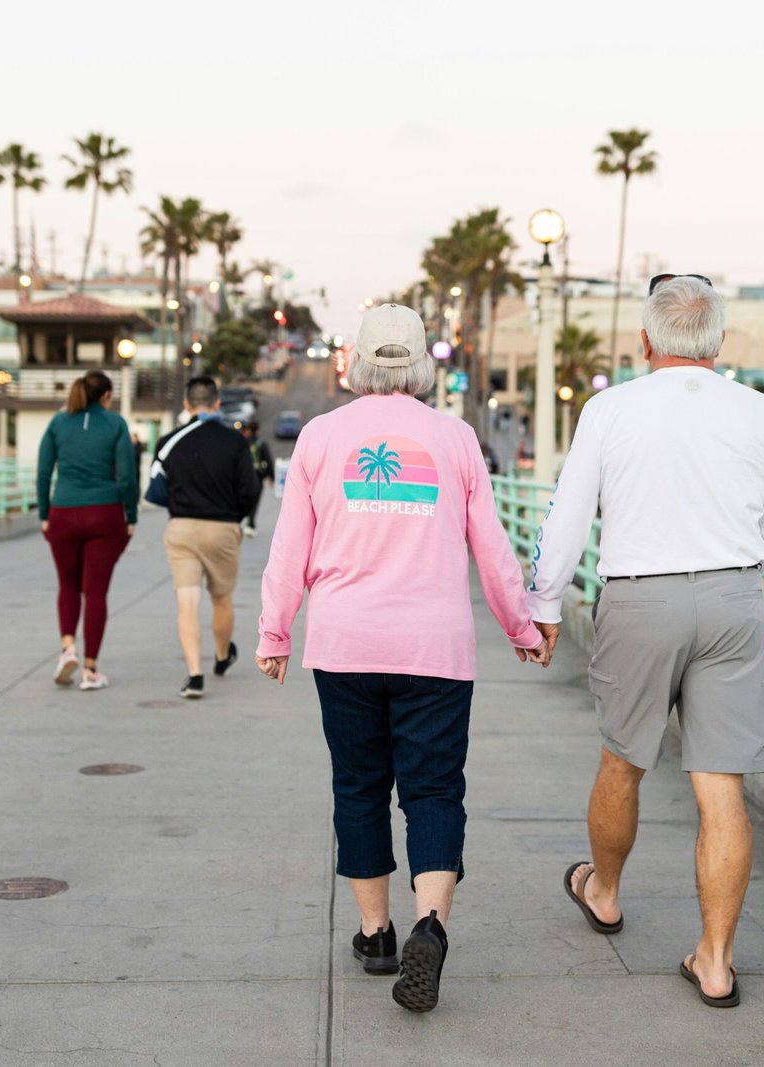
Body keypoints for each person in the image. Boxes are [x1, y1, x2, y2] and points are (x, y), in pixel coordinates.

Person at [256, 303, 552, 1014]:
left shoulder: (321, 437)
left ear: (356, 362)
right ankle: (430, 926)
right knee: (434, 790)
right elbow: (491, 547)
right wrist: (522, 626)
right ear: (423, 364)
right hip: (435, 648)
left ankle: (376, 934)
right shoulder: (455, 438)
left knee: (359, 787)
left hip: (345, 645)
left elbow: (289, 547)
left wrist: (274, 632)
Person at [526, 275, 764, 1010]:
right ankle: (716, 961)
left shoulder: (610, 409)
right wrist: (733, 567)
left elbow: (568, 514)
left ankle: (605, 891)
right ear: (719, 342)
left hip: (640, 597)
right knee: (721, 783)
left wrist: (544, 604)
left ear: (645, 340)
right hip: (734, 596)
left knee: (624, 759)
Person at [154, 376, 259, 699]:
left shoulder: (169, 441)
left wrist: (179, 505)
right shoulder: (235, 441)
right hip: (222, 528)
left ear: (187, 404)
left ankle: (194, 675)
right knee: (221, 599)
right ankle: (222, 655)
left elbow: (157, 488)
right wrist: (235, 516)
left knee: (187, 601)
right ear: (217, 404)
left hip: (182, 527)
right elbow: (250, 488)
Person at [36, 370, 138, 691]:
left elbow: (43, 472)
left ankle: (68, 648)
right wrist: (130, 514)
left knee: (67, 585)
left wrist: (44, 513)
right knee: (95, 593)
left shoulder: (58, 423)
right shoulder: (116, 424)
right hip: (105, 513)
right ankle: (90, 670)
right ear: (106, 395)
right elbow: (127, 476)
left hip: (63, 512)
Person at [242, 420, 273, 537]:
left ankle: (245, 520)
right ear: (258, 430)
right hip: (258, 476)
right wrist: (271, 476)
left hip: (245, 476)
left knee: (246, 498)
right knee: (255, 501)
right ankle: (251, 523)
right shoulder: (261, 443)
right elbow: (268, 460)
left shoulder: (244, 442)